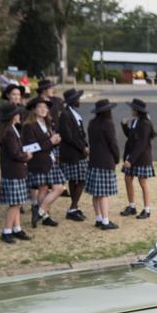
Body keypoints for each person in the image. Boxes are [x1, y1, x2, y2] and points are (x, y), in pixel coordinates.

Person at [21, 96, 65, 228]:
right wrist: (51, 141)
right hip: (38, 162)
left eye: (45, 107)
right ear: (34, 109)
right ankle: (44, 215)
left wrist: (55, 141)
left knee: (58, 188)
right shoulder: (28, 126)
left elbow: (48, 144)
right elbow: (29, 148)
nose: (43, 109)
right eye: (40, 107)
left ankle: (40, 212)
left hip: (50, 160)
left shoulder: (47, 123)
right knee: (45, 188)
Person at [0, 102, 32, 244]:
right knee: (15, 204)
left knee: (17, 203)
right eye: (17, 113)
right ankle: (6, 231)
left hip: (14, 172)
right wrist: (26, 156)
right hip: (14, 172)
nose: (19, 115)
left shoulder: (10, 129)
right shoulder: (10, 132)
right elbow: (14, 154)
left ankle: (17, 228)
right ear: (12, 116)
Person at [85, 98, 120, 230]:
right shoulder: (108, 124)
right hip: (106, 162)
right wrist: (116, 158)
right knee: (104, 193)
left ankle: (99, 218)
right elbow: (113, 144)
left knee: (96, 193)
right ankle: (105, 221)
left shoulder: (92, 123)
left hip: (93, 161)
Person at [120, 98, 157, 219]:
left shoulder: (145, 123)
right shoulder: (135, 121)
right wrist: (124, 125)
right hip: (132, 155)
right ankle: (132, 206)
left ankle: (147, 210)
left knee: (143, 182)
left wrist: (130, 160)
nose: (131, 110)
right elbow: (130, 137)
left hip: (141, 157)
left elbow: (141, 143)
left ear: (137, 110)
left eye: (132, 108)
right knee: (127, 178)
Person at [58, 88, 89, 221]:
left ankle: (74, 208)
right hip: (72, 152)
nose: (79, 100)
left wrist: (84, 144)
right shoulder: (65, 115)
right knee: (78, 179)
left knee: (78, 179)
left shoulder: (74, 113)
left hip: (78, 152)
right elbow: (68, 136)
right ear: (72, 101)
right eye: (77, 98)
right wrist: (82, 147)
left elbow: (79, 133)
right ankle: (73, 207)